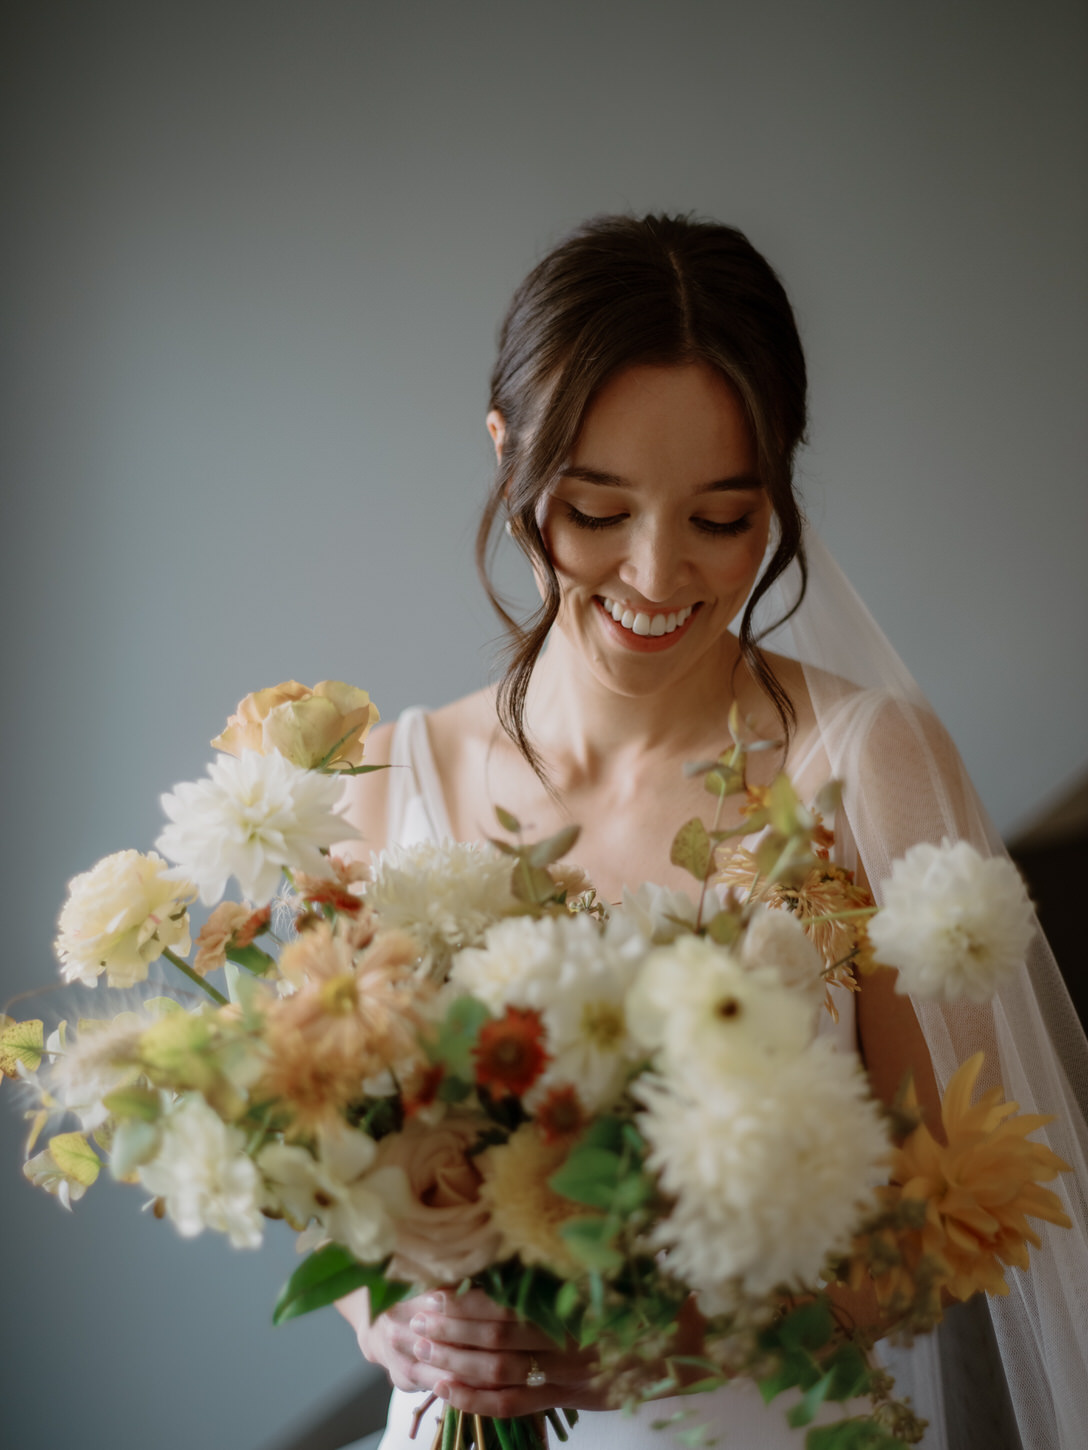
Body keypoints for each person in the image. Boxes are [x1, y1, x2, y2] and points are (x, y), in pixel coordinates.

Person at [336, 215, 1088, 1449]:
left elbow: (946, 1235)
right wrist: (391, 1316)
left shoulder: (860, 764)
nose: (655, 573)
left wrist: (653, 1340)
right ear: (505, 455)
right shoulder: (386, 776)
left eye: (721, 519)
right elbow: (347, 1188)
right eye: (594, 508)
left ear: (778, 496)